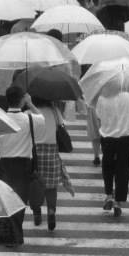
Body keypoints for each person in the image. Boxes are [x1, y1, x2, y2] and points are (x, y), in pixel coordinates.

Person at [0, 85, 45, 233]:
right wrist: (30, 104)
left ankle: (8, 233)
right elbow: (42, 119)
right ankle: (15, 233)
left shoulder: (0, 119)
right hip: (23, 165)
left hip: (4, 164)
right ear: (22, 100)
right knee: (20, 201)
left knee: (6, 201)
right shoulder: (29, 119)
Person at [94, 86, 129, 218]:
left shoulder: (101, 98)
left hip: (107, 137)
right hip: (124, 138)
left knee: (107, 167)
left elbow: (98, 116)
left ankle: (109, 195)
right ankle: (118, 202)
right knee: (123, 169)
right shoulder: (128, 97)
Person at [34, 98, 74, 232]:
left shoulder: (29, 112)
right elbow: (61, 127)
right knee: (51, 188)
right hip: (51, 151)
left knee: (36, 185)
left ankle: (37, 212)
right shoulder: (54, 111)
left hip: (35, 152)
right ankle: (51, 211)